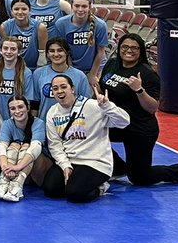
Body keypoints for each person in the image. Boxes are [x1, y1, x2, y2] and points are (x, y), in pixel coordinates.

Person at [100, 32, 178, 186]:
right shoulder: (112, 64)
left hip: (139, 129)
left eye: (134, 48)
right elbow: (102, 86)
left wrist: (139, 90)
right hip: (117, 123)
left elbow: (152, 108)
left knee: (139, 177)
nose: (129, 50)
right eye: (125, 47)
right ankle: (118, 167)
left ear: (140, 51)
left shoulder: (147, 74)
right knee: (89, 133)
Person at [40, 74, 131, 203]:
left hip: (94, 161)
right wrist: (65, 165)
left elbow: (124, 122)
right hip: (71, 160)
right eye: (55, 88)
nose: (59, 91)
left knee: (75, 194)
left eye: (63, 87)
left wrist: (107, 106)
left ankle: (101, 187)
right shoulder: (52, 112)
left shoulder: (93, 106)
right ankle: (79, 180)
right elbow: (54, 144)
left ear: (72, 89)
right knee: (51, 190)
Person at [0, 95, 45, 203]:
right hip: (11, 168)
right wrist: (5, 167)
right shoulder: (7, 124)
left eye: (21, 107)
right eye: (13, 109)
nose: (17, 111)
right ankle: (3, 184)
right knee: (14, 145)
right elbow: (1, 146)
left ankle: (17, 186)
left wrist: (18, 167)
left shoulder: (38, 123)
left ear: (28, 108)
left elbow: (36, 147)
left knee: (27, 146)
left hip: (35, 168)